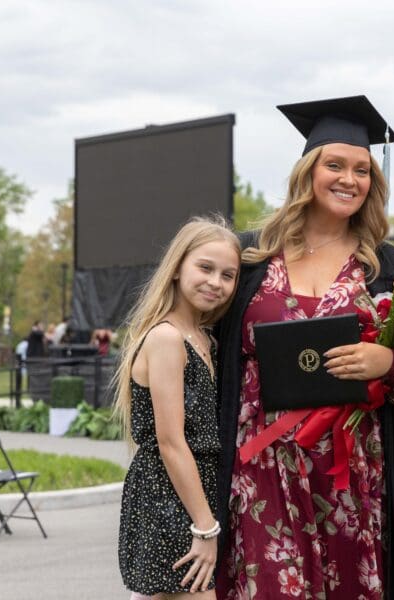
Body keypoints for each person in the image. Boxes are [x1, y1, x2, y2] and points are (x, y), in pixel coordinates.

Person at [215, 96, 394, 599]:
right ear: (308, 173)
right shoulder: (251, 259)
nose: (349, 179)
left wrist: (389, 361)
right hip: (262, 470)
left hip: (353, 474)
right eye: (335, 165)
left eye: (362, 170)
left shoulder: (391, 270)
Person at [114, 216, 241, 599]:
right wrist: (204, 527)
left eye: (228, 275)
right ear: (176, 269)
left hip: (194, 493)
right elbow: (171, 441)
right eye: (205, 267)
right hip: (168, 497)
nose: (215, 282)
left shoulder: (204, 339)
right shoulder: (167, 338)